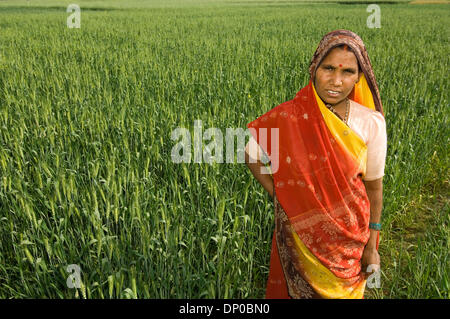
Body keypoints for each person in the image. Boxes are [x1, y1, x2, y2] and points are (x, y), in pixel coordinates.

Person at [244, 30, 387, 299]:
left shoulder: (371, 123)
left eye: (347, 72)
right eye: (328, 68)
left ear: (359, 77)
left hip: (350, 245)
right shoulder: (289, 115)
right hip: (301, 239)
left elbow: (374, 189)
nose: (336, 80)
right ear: (314, 68)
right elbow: (250, 152)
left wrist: (372, 244)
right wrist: (280, 193)